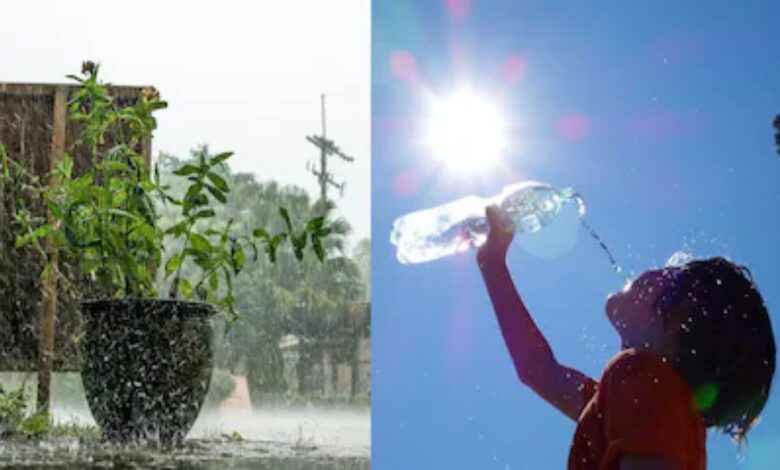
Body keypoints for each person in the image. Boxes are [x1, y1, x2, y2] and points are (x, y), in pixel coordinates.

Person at [477, 205, 776, 470]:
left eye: (670, 277)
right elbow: (538, 370)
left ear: (678, 328)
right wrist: (492, 264)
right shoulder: (640, 407)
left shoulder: (646, 381)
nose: (653, 272)